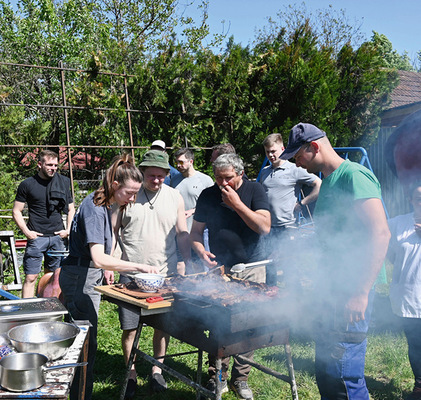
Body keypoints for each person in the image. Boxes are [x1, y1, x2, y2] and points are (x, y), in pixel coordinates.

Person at [280, 122, 390, 400]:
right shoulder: (327, 182)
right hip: (330, 288)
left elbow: (380, 233)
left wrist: (361, 293)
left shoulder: (354, 176)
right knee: (327, 372)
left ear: (313, 147)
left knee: (344, 374)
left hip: (351, 289)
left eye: (297, 157)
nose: (296, 163)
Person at [59, 154, 159, 400]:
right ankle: (79, 395)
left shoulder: (105, 204)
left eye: (136, 193)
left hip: (87, 275)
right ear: (115, 185)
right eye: (129, 193)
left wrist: (109, 267)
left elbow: (110, 237)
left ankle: (80, 393)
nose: (133, 198)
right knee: (84, 344)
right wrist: (139, 267)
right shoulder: (93, 209)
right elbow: (98, 257)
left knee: (86, 340)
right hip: (78, 277)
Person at [191, 153, 271, 400]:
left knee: (249, 324)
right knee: (218, 322)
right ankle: (217, 375)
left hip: (253, 268)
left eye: (227, 178)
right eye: (218, 178)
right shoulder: (208, 194)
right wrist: (200, 250)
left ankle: (241, 378)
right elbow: (195, 233)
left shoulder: (255, 190)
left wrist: (237, 204)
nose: (222, 184)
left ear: (240, 173)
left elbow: (264, 227)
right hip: (220, 270)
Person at [115, 149, 192, 397]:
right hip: (130, 273)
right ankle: (131, 372)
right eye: (151, 175)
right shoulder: (129, 195)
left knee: (163, 326)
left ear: (167, 174)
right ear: (142, 173)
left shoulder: (175, 196)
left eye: (161, 176)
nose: (156, 180)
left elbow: (182, 232)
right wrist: (113, 264)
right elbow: (115, 232)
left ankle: (157, 370)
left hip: (164, 274)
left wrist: (187, 261)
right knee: (130, 328)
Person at [260, 133, 321, 285]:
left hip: (288, 227)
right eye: (267, 152)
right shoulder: (265, 172)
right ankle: (271, 299)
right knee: (270, 267)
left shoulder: (295, 169)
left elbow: (319, 185)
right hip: (268, 228)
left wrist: (302, 203)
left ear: (282, 148)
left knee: (290, 267)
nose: (271, 155)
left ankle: (296, 300)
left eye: (273, 151)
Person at [13, 149, 75, 298]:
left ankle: (49, 311)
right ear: (39, 164)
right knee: (30, 277)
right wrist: (27, 232)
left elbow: (71, 209)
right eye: (49, 165)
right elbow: (16, 211)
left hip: (57, 237)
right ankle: (27, 313)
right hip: (37, 237)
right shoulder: (27, 184)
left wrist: (68, 230)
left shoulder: (64, 182)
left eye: (55, 165)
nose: (53, 168)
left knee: (54, 278)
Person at [387, 180, 421, 400]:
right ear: (411, 200)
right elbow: (386, 249)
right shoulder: (398, 223)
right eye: (419, 198)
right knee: (415, 344)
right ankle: (419, 384)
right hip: (409, 295)